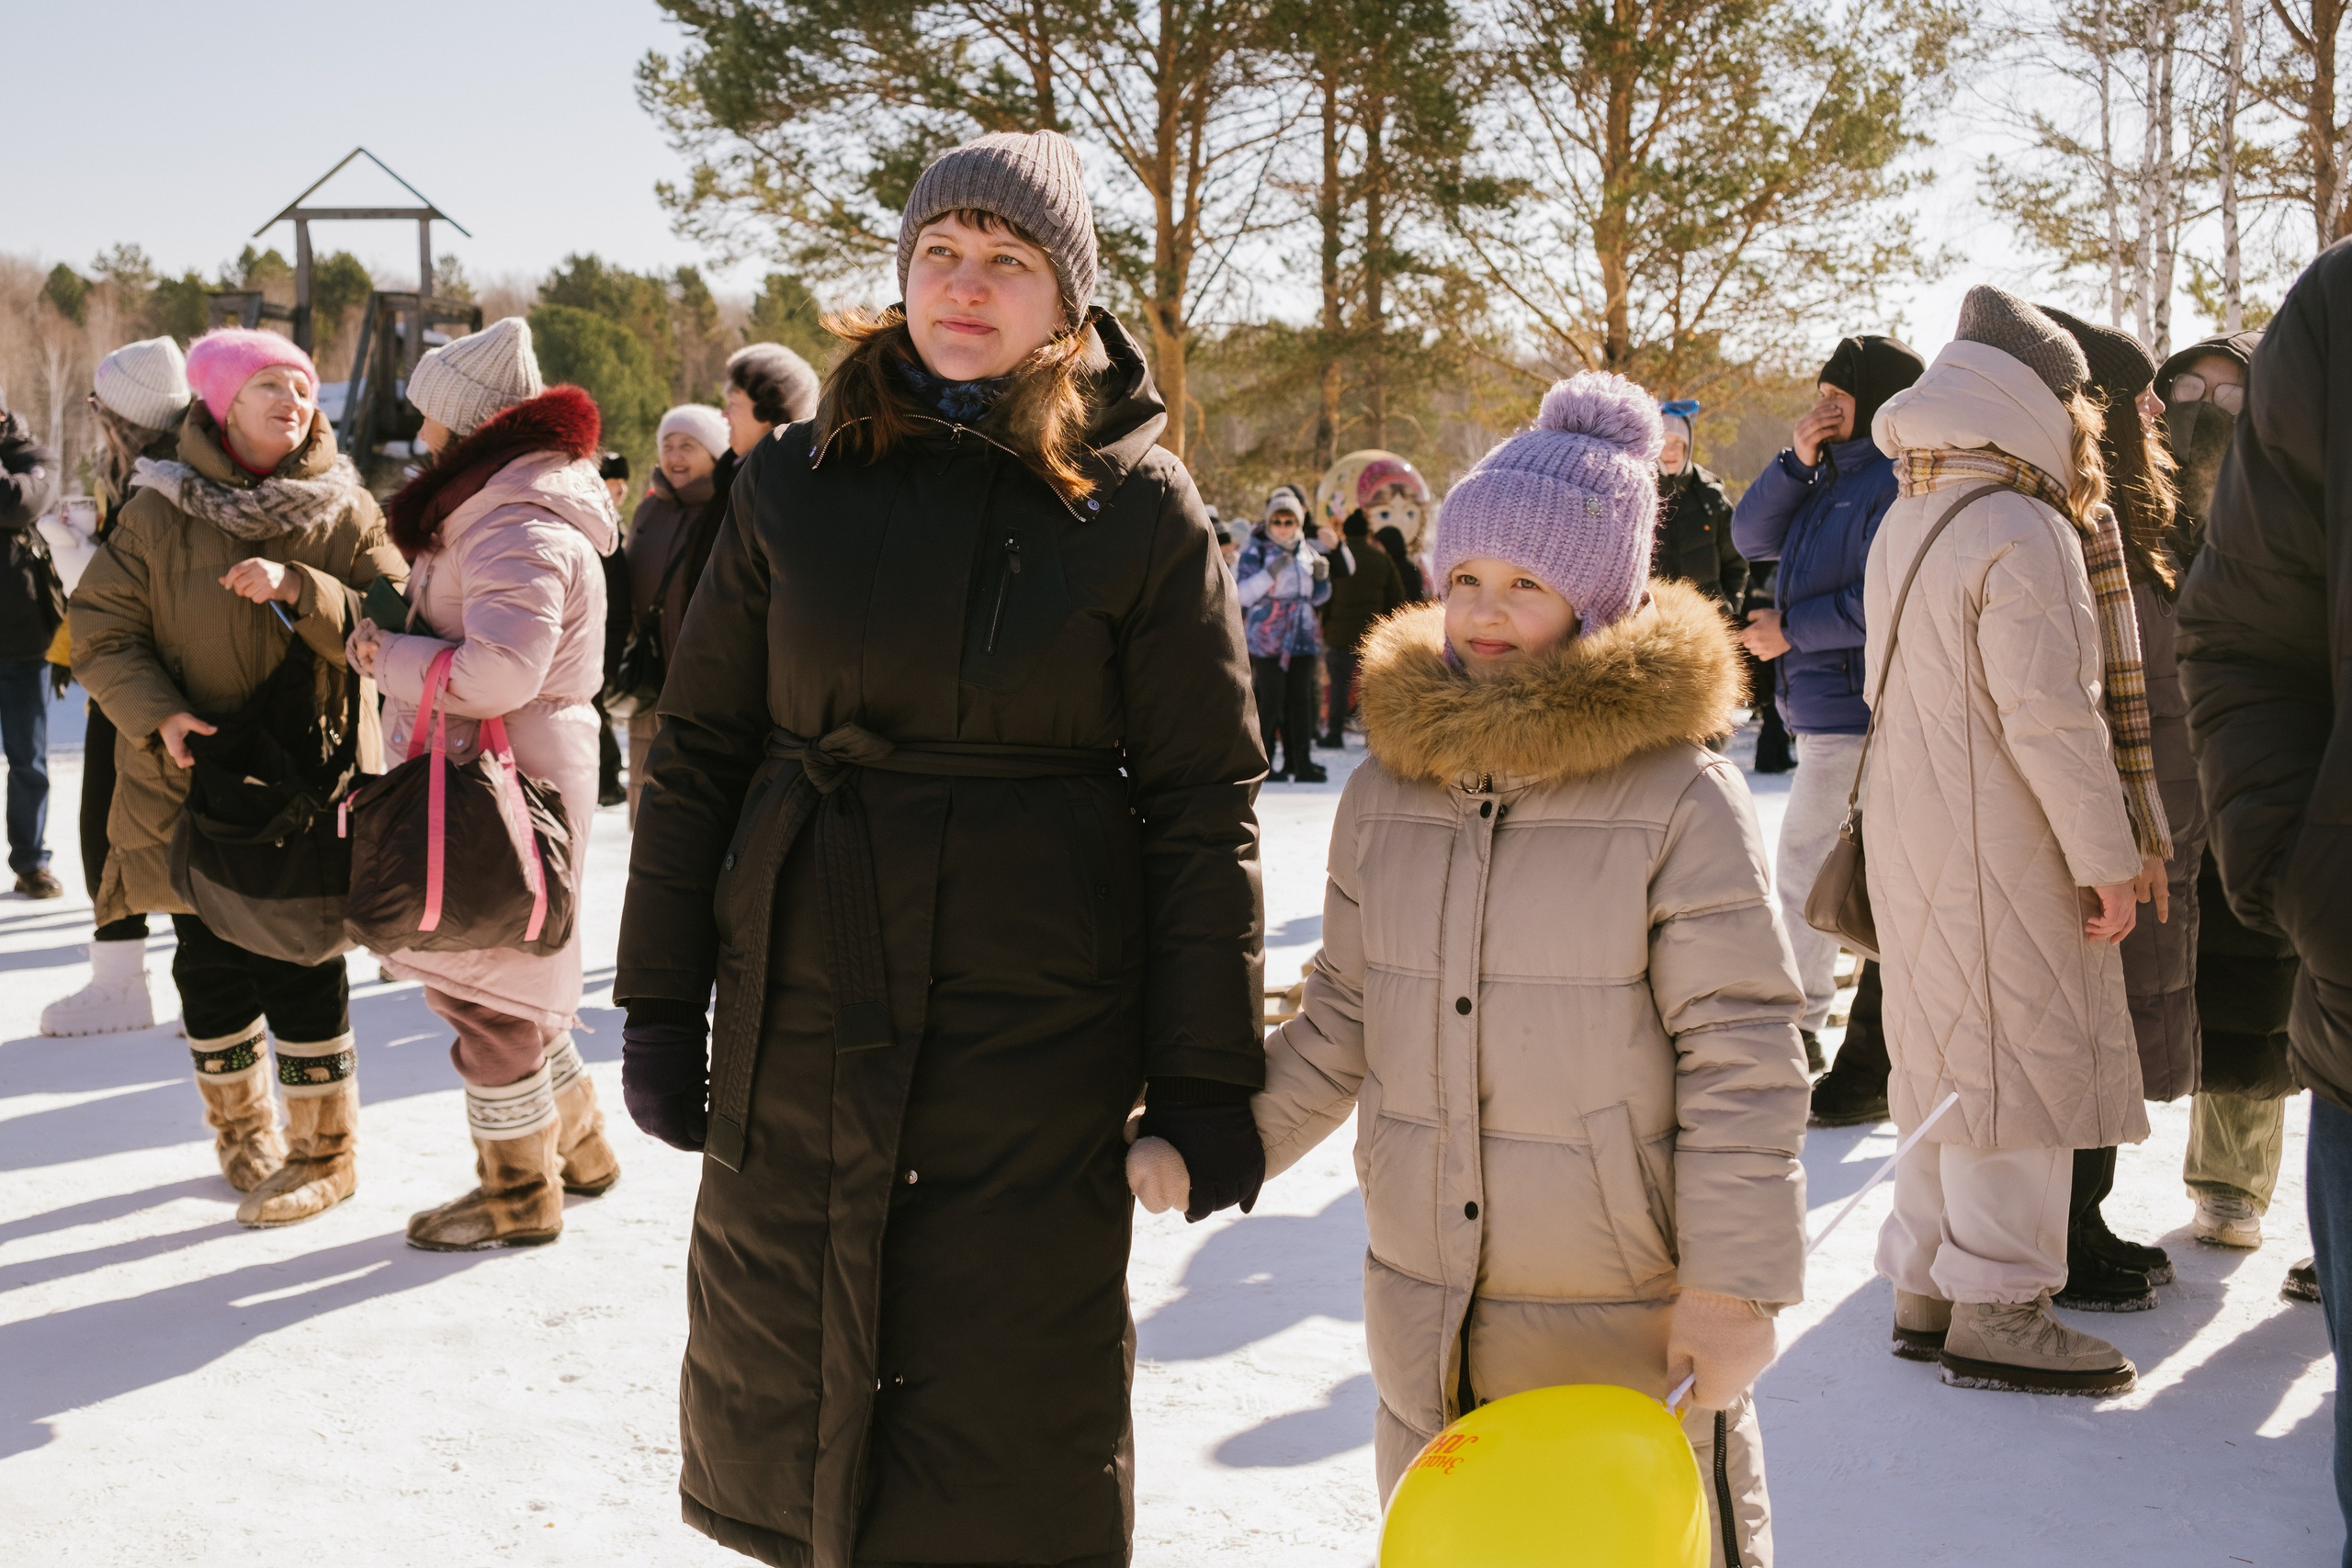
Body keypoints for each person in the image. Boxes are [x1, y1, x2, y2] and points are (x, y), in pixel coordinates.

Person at [612, 130, 1265, 1568]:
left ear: (1069, 305)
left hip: (1034, 1018)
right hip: (801, 989)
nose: (965, 287)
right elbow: (703, 746)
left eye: (1008, 261)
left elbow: (1201, 794)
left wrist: (1211, 1073)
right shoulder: (790, 479)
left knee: (1005, 1397)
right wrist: (659, 999)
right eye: (939, 255)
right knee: (797, 1364)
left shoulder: (1142, 509)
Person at [1220, 373, 1806, 1567]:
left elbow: (1743, 1047)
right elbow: (1345, 1006)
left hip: (1622, 1311)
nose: (1485, 610)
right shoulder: (1392, 788)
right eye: (1470, 577)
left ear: (1593, 604)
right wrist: (1224, 1138)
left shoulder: (1674, 795)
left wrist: (1737, 1285)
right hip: (1430, 1295)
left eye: (1528, 584)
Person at [1864, 287, 2152, 1395]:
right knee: (2018, 1067)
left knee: (1943, 1061)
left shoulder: (1912, 508)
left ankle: (1928, 1287)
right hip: (2006, 834)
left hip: (1919, 822)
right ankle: (2003, 1305)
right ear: (2035, 400)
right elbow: (2051, 717)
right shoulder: (2022, 524)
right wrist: (2108, 855)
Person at [73, 326, 402, 1224]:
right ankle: (242, 1134)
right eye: (269, 388)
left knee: (302, 955)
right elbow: (101, 631)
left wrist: (304, 588)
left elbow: (395, 620)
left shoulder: (343, 509)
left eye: (302, 390)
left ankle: (324, 1153)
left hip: (307, 783)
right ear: (220, 405)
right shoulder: (155, 509)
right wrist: (159, 715)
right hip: (186, 781)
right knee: (209, 963)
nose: (294, 404)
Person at [345, 316, 623, 1250]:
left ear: (464, 425)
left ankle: (517, 1196)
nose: (418, 435)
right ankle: (577, 1148)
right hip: (507, 767)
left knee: (487, 999)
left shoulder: (513, 522)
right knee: (516, 980)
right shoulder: (503, 507)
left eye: (429, 419)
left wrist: (389, 656)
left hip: (505, 781)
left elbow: (502, 671)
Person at [2177, 244, 2352, 1547]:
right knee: (2232, 1038)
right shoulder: (2342, 314)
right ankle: (2231, 1194)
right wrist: (2297, 863)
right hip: (2343, 951)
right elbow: (2242, 629)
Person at [2037, 304, 2198, 1312]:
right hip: (2104, 817)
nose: (2156, 411)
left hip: (2153, 804)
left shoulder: (2141, 518)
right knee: (2086, 1018)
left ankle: (2079, 1214)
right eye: (2136, 395)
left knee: (2117, 1022)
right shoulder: (2075, 517)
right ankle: (2058, 1229)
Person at [1733, 333, 1924, 1085]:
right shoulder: (1822, 476)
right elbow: (1750, 536)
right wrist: (1793, 462)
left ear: (1875, 402)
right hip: (1821, 707)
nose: (1822, 409)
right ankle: (1812, 1014)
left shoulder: (1892, 482)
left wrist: (1790, 630)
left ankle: (1802, 1019)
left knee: (1809, 870)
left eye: (1838, 399)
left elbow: (1884, 603)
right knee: (1823, 868)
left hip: (1859, 710)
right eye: (1821, 395)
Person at [2158, 333, 2303, 1271]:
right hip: (2161, 767)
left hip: (2263, 762)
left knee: (2262, 979)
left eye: (2230, 392)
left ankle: (2231, 1178)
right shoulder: (2139, 502)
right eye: (2188, 388)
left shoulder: (2295, 504)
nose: (2206, 408)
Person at [41, 338, 191, 1036]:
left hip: (143, 672)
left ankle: (120, 983)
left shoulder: (159, 480)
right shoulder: (158, 471)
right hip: (157, 669)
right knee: (148, 818)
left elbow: (148, 587)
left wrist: (80, 562)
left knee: (114, 815)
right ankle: (131, 975)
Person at [622, 403, 729, 821]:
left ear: (714, 453)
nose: (675, 456)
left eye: (688, 445)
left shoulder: (728, 507)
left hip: (705, 688)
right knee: (649, 809)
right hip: (651, 686)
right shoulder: (650, 510)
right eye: (668, 445)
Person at [0, 391, 62, 899]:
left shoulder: (32, 457)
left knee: (29, 761)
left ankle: (31, 862)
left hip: (22, 642)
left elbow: (16, 504)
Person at [1238, 484, 1331, 781]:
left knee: (1300, 699)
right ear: (1268, 523)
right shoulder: (1255, 552)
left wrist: (1321, 581)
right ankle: (1261, 763)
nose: (1282, 528)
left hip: (1301, 635)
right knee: (1271, 698)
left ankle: (1300, 761)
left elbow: (1316, 598)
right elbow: (1241, 595)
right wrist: (1270, 573)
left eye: (1288, 521)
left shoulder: (1307, 551)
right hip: (1267, 636)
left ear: (1298, 523)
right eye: (1276, 521)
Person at [1317, 507, 1405, 745]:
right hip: (1371, 635)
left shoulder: (1337, 560)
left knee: (1338, 685)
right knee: (1370, 687)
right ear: (1368, 532)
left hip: (1339, 633)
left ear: (1345, 532)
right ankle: (1372, 736)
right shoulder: (1381, 559)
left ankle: (1335, 732)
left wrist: (1326, 624)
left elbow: (1326, 597)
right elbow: (1396, 597)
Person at [1653, 398, 1747, 610]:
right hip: (1652, 623)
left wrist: (1730, 607)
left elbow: (1736, 562)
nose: (1671, 451)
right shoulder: (1640, 496)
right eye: (1664, 443)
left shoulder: (1711, 498)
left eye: (1678, 442)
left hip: (1707, 625)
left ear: (1688, 445)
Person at [594, 451, 633, 807]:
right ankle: (606, 778)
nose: (619, 489)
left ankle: (607, 778)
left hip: (610, 634)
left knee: (597, 710)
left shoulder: (616, 524)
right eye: (612, 481)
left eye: (622, 483)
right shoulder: (597, 524)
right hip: (598, 634)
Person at [1374, 521, 1426, 599]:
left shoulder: (1402, 570)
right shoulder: (1411, 569)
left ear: (1389, 545)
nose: (1377, 550)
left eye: (1379, 546)